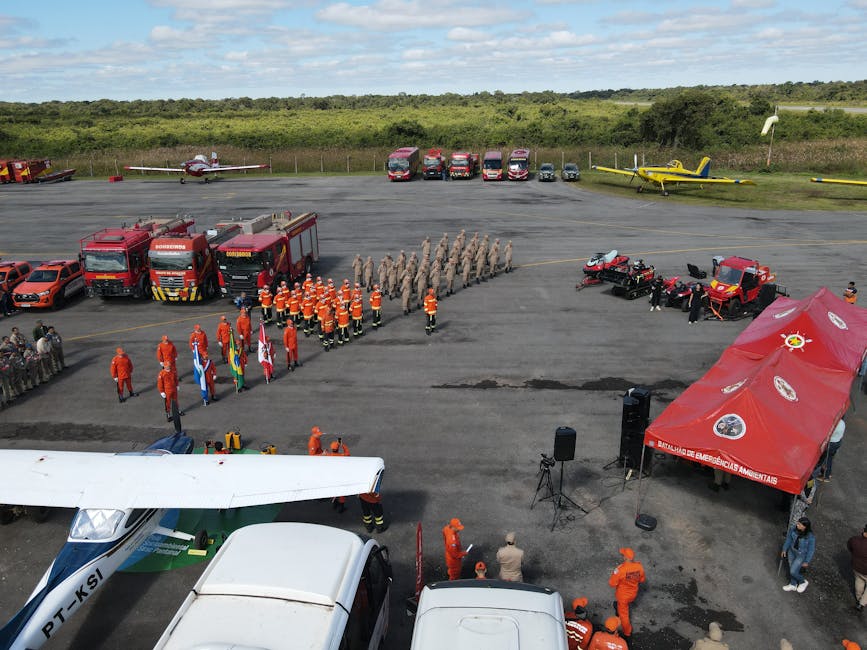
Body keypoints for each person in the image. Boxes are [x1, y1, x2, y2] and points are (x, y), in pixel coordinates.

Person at [608, 547, 645, 638]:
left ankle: (627, 632)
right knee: (623, 605)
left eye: (623, 555)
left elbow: (612, 583)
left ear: (625, 557)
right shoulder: (639, 567)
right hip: (633, 594)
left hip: (623, 596)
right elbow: (642, 580)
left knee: (623, 615)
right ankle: (619, 608)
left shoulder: (620, 570)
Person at [781, 516, 816, 593]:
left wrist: (807, 561)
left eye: (800, 524)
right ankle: (793, 584)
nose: (797, 525)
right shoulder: (793, 529)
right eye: (798, 523)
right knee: (791, 568)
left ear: (805, 527)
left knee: (793, 571)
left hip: (801, 555)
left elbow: (811, 550)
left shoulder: (810, 537)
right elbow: (789, 539)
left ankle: (802, 582)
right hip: (791, 551)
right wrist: (784, 549)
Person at [847, 523, 867, 612]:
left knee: (859, 582)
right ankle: (862, 603)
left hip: (857, 568)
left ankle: (859, 599)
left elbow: (850, 547)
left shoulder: (854, 540)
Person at [818, 416, 845, 481]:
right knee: (829, 458)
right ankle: (827, 473)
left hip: (831, 444)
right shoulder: (842, 423)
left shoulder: (834, 426)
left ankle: (825, 476)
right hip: (838, 442)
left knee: (827, 459)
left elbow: (827, 435)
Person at [328, 439, 350, 513]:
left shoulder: (328, 456)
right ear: (338, 449)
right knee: (341, 493)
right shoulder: (341, 456)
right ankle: (341, 507)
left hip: (331, 476)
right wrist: (342, 445)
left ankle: (334, 504)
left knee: (334, 490)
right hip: (340, 476)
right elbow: (347, 453)